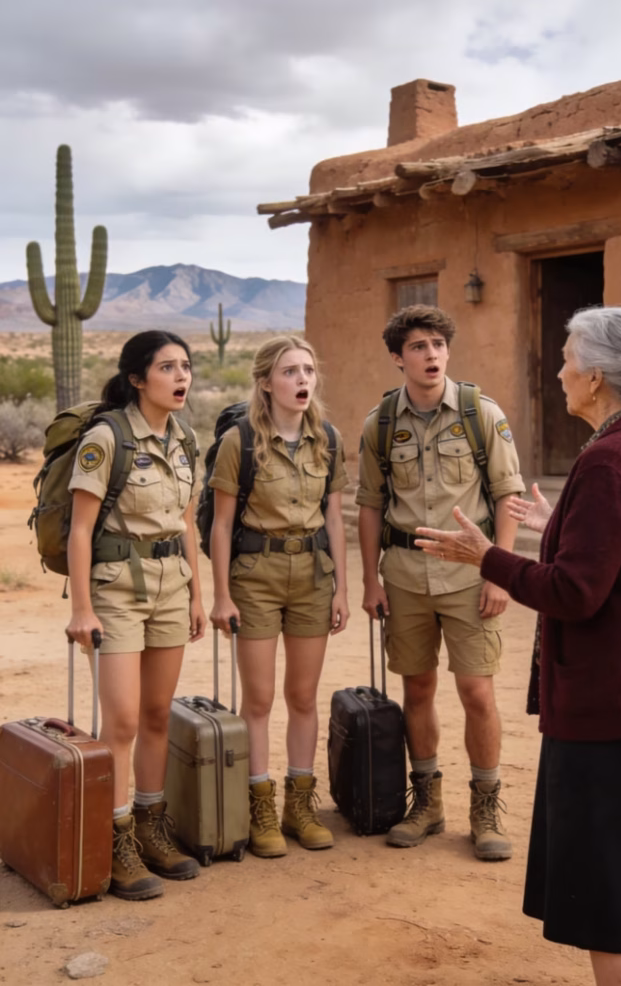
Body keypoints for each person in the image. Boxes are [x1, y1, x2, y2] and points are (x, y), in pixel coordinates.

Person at [414, 306, 621, 986]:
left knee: (615, 890)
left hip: (618, 711)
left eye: (566, 359)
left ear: (595, 378)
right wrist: (561, 528)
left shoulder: (610, 461)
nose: (557, 372)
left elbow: (575, 594)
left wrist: (487, 557)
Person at [356, 304, 525, 860]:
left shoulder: (480, 413)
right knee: (417, 688)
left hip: (469, 575)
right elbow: (370, 507)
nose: (431, 355)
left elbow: (507, 497)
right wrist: (370, 580)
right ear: (398, 358)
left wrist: (500, 572)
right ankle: (427, 802)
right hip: (404, 576)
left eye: (437, 345)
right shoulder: (380, 424)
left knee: (477, 690)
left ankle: (486, 806)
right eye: (418, 347)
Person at [66, 330, 206, 901]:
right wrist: (80, 608)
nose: (181, 377)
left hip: (172, 588)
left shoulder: (186, 439)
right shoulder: (107, 438)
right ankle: (116, 837)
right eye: (167, 367)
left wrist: (198, 592)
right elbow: (79, 529)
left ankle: (152, 829)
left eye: (186, 367)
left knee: (156, 716)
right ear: (136, 378)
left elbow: (188, 521)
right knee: (120, 722)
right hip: (116, 592)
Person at [208, 336, 348, 858]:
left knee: (304, 698)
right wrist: (221, 595)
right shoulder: (239, 441)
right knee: (260, 699)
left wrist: (342, 588)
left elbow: (334, 517)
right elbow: (221, 525)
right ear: (266, 381)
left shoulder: (327, 439)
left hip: (312, 575)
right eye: (290, 372)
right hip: (255, 575)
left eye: (308, 370)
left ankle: (300, 805)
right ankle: (260, 805)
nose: (302, 380)